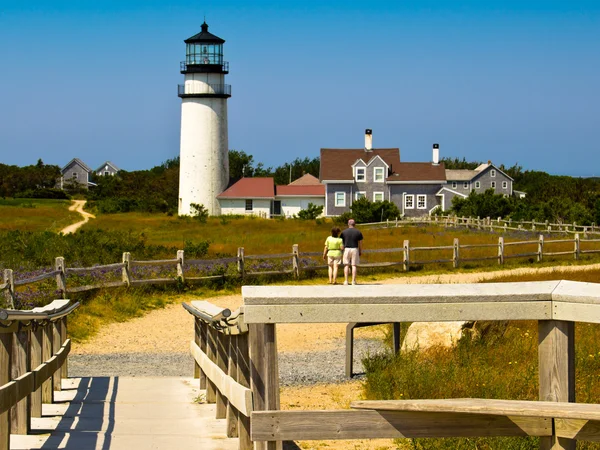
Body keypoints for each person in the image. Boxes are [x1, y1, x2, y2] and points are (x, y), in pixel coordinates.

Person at [341, 219, 363, 285]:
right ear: (354, 224)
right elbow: (360, 243)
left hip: (346, 249)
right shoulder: (358, 232)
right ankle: (353, 281)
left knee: (346, 265)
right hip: (355, 249)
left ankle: (346, 281)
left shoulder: (344, 232)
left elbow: (341, 242)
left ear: (348, 224)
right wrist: (360, 250)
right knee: (354, 265)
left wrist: (342, 249)